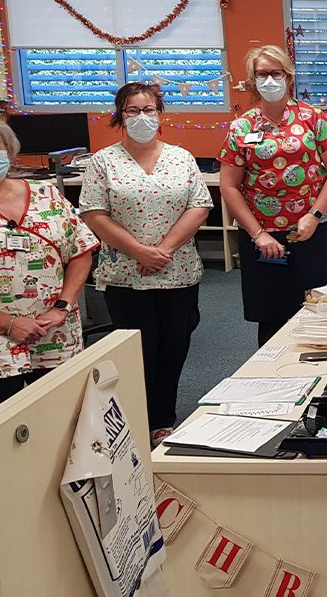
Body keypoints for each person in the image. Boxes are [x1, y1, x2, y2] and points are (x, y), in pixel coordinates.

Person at [80, 82, 213, 445]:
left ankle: (163, 419)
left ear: (160, 114)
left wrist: (163, 249)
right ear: (119, 116)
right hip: (126, 275)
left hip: (178, 272)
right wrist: (140, 251)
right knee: (138, 351)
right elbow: (94, 213)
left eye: (148, 110)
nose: (141, 117)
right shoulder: (102, 162)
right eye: (132, 111)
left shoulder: (180, 157)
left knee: (174, 347)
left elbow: (199, 205)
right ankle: (135, 420)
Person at [0, 116, 98, 419]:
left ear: (9, 152)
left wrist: (62, 307)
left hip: (55, 335)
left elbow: (80, 252)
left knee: (64, 425)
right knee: (2, 436)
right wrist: (9, 323)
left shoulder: (47, 195)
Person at [219, 45, 327, 346]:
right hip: (264, 239)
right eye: (262, 74)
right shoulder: (242, 127)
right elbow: (229, 187)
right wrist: (259, 234)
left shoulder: (313, 118)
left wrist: (314, 215)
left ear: (288, 77)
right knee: (272, 318)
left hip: (315, 230)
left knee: (324, 313)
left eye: (275, 73)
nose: (269, 80)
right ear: (252, 80)